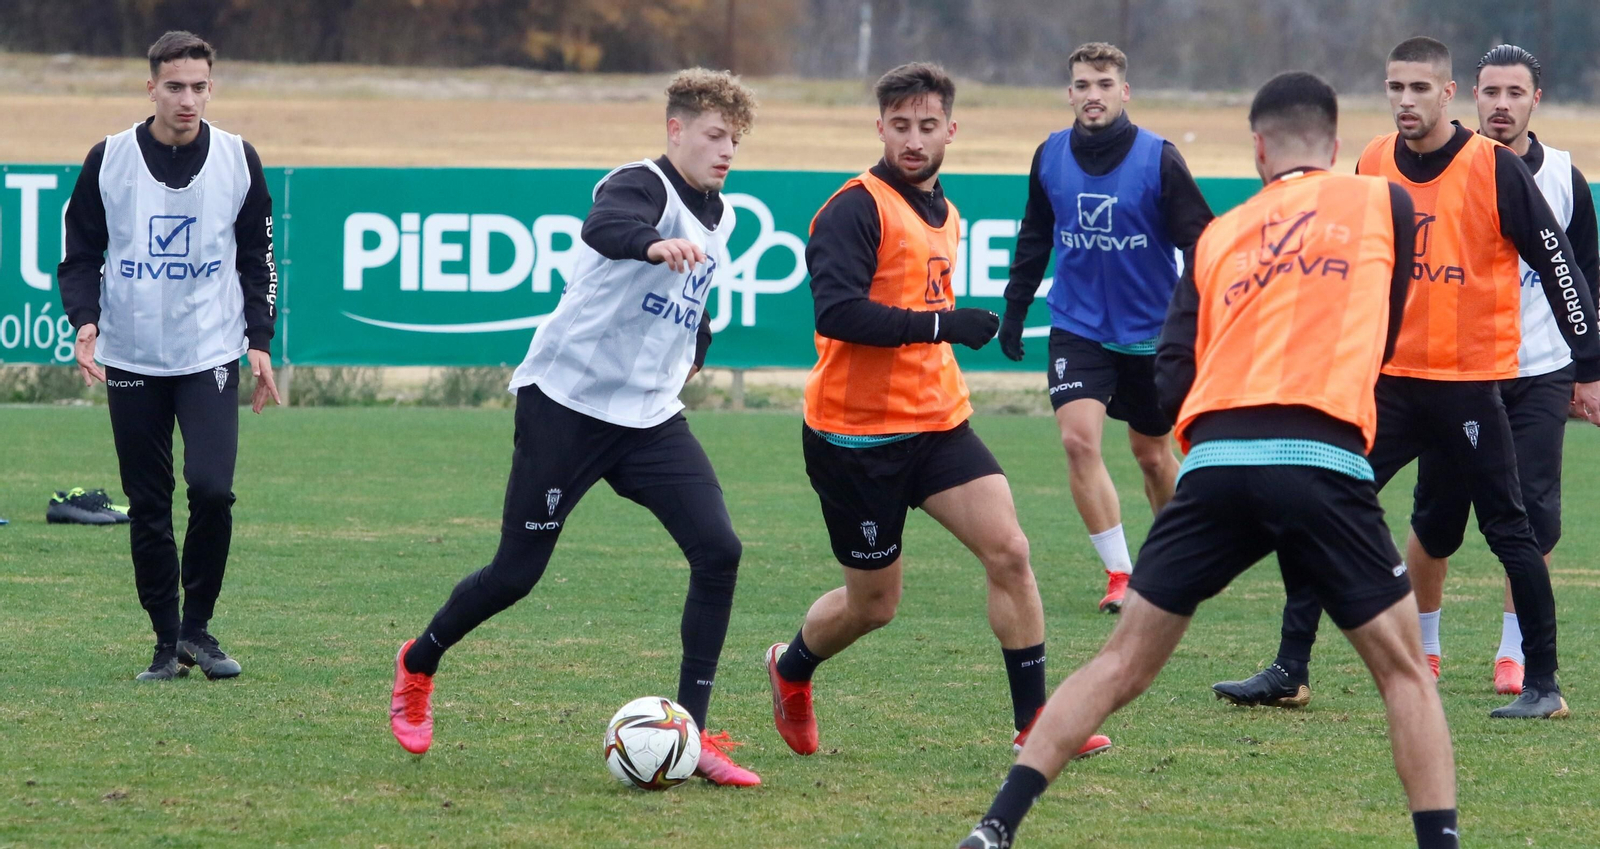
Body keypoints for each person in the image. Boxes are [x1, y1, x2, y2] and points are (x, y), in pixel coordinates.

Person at [960, 71, 1462, 849]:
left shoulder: (1220, 236)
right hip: (1319, 453)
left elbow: (1172, 371)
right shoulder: (1383, 201)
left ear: (1258, 149)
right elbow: (1387, 328)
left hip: (1217, 459)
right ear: (1335, 146)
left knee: (1121, 663)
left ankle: (995, 826)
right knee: (1403, 673)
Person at [387, 68, 761, 787]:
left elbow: (697, 297)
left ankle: (690, 735)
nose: (726, 151)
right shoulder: (639, 184)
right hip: (566, 405)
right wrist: (651, 245)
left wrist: (698, 345)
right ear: (676, 129)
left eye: (735, 141)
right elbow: (607, 228)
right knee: (515, 574)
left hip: (648, 417)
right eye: (715, 135)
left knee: (719, 550)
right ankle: (418, 661)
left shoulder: (724, 216)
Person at [1213, 37, 1600, 720]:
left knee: (1511, 530)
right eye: (1396, 87)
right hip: (1388, 385)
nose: (1406, 100)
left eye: (1420, 88)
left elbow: (1562, 268)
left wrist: (1590, 365)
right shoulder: (1372, 160)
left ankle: (1543, 683)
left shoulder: (1494, 168)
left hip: (1468, 386)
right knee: (1316, 505)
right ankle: (1290, 668)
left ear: (1449, 94)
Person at [764, 62, 1111, 764]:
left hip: (938, 421)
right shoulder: (854, 209)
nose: (914, 140)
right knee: (874, 605)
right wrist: (943, 326)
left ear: (951, 129)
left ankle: (1035, 723)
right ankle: (791, 667)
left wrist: (939, 333)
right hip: (855, 436)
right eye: (900, 126)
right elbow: (838, 313)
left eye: (927, 126)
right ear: (880, 128)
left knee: (1010, 551)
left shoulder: (945, 211)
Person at [57, 30, 280, 682]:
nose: (188, 99)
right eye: (175, 86)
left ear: (212, 88)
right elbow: (79, 254)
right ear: (150, 86)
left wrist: (259, 340)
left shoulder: (238, 158)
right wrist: (85, 322)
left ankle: (197, 629)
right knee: (148, 503)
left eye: (199, 87)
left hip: (209, 352)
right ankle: (164, 642)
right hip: (131, 357)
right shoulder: (110, 158)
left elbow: (258, 259)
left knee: (211, 489)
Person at [1403, 44, 1599, 695]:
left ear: (1535, 99)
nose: (1502, 105)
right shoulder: (1445, 166)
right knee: (1437, 519)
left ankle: (1513, 654)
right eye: (1491, 92)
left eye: (1515, 93)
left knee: (1532, 517)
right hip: (1457, 370)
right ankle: (1424, 646)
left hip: (1539, 370)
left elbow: (1584, 277)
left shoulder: (1565, 178)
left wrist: (1588, 369)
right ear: (1470, 96)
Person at [998, 42, 1213, 613]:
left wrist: (1194, 318)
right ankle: (1121, 573)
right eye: (1083, 85)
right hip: (1078, 326)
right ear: (1069, 93)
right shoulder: (1049, 155)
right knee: (1077, 440)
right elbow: (1035, 235)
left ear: (1125, 91)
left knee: (1152, 455)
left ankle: (1176, 562)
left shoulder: (1159, 158)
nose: (1093, 95)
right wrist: (1015, 309)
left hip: (1152, 333)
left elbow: (1202, 242)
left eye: (1104, 84)